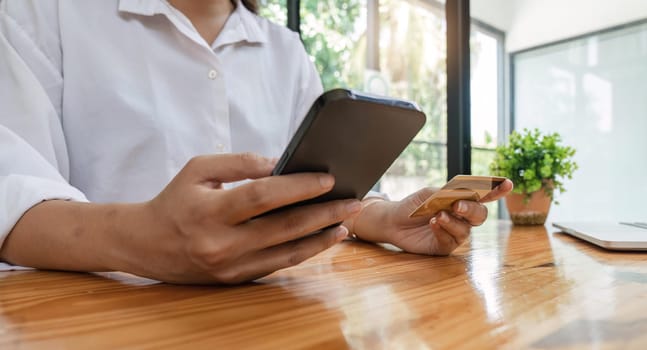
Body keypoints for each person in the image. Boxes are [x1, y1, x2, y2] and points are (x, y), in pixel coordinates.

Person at [0, 0, 512, 284]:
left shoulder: (284, 48)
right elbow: (12, 194)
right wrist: (136, 239)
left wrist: (381, 217)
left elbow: (314, 187)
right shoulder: (41, 14)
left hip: (275, 317)